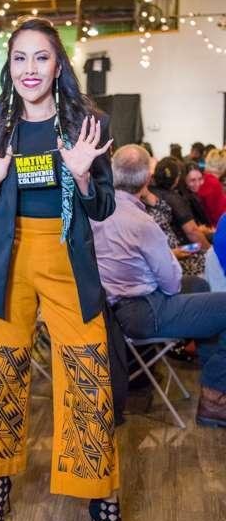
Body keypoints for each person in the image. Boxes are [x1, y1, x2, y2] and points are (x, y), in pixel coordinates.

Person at [0, 16, 133, 521]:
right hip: (5, 260)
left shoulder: (88, 126)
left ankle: (101, 498)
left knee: (87, 378)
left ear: (58, 66)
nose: (30, 68)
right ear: (9, 67)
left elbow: (103, 206)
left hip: (65, 261)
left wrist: (80, 174)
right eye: (20, 58)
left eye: (41, 57)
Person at [91, 144, 226, 429]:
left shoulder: (96, 211)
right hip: (143, 312)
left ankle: (212, 383)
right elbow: (171, 282)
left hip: (111, 310)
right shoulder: (142, 223)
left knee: (199, 285)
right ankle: (214, 397)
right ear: (146, 180)